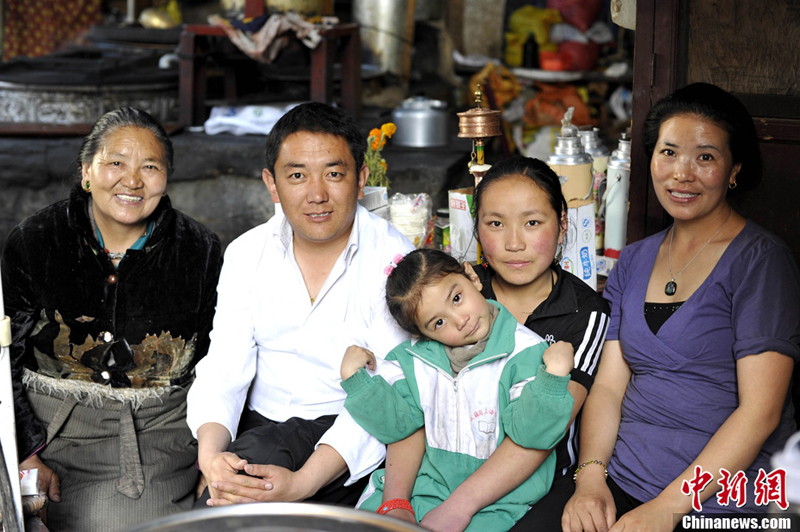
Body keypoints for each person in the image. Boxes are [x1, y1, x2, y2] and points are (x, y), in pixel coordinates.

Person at [562, 83, 800, 532]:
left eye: (705, 157)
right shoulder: (633, 259)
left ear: (734, 170)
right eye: (668, 153)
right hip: (622, 483)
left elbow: (760, 412)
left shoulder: (761, 262)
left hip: (723, 502)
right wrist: (590, 478)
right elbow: (609, 388)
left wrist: (668, 508)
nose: (681, 174)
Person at [2, 107, 223, 531]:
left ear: (167, 178)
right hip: (47, 429)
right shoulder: (35, 240)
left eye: (150, 166)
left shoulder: (200, 251)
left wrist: (209, 456)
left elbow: (220, 362)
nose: (133, 180)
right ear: (87, 172)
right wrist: (26, 454)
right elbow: (4, 357)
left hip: (153, 437)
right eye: (116, 163)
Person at [186, 102, 415, 507]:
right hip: (257, 432)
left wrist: (304, 483)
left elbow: (389, 389)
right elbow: (223, 368)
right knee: (223, 501)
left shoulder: (394, 260)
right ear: (271, 184)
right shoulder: (247, 253)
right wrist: (211, 462)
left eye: (334, 173)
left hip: (347, 435)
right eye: (296, 176)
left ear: (360, 179)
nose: (317, 195)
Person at [376, 157, 610, 531]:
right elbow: (417, 400)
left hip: (535, 481)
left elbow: (541, 431)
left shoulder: (584, 313)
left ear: (562, 224)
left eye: (532, 223)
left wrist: (459, 506)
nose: (514, 243)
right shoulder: (453, 292)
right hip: (438, 473)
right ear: (476, 228)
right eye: (496, 224)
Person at [340, 248, 576, 531]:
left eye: (457, 298)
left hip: (500, 501)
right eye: (438, 322)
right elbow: (398, 426)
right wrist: (356, 380)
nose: (460, 319)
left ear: (472, 277)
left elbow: (532, 435)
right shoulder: (411, 359)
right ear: (420, 333)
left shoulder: (525, 352)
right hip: (424, 488)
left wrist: (553, 377)